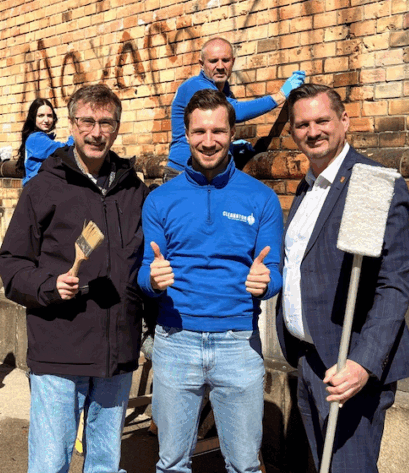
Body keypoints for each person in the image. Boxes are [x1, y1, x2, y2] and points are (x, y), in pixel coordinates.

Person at [0, 84, 150, 473]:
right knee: (51, 464)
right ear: (71, 124)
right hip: (60, 348)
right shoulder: (43, 187)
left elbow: (146, 262)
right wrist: (49, 286)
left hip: (117, 351)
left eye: (106, 123)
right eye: (87, 121)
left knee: (105, 463)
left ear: (117, 128)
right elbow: (11, 263)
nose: (96, 132)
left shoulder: (134, 189)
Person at [277, 84, 409, 472]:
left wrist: (363, 363)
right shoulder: (307, 187)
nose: (313, 132)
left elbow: (393, 285)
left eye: (322, 120)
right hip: (310, 359)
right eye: (302, 124)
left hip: (349, 365)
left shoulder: (371, 183)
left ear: (344, 121)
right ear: (292, 132)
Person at [138, 89, 283, 473]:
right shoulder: (159, 200)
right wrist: (152, 279)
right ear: (186, 134)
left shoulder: (261, 198)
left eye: (218, 131)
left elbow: (274, 271)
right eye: (199, 131)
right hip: (175, 341)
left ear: (232, 133)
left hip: (238, 343)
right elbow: (143, 271)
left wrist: (266, 282)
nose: (208, 140)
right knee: (171, 463)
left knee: (244, 465)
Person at [165, 37, 306, 181]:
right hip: (183, 171)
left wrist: (231, 147)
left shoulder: (224, 91)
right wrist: (279, 96)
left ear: (232, 62)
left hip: (210, 171)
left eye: (225, 60)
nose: (220, 66)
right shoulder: (195, 85)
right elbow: (234, 111)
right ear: (202, 64)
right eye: (213, 61)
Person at [16, 97, 74, 186]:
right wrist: (74, 134)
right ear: (33, 117)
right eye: (41, 115)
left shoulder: (39, 138)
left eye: (49, 115)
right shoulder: (36, 138)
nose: (46, 120)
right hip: (39, 188)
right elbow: (65, 150)